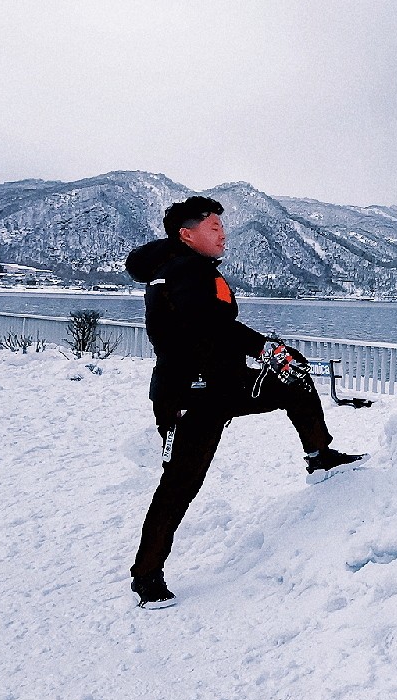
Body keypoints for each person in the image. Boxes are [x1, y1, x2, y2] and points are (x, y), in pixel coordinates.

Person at [123, 196, 362, 608]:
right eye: (213, 227)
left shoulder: (187, 268)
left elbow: (219, 328)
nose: (222, 234)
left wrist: (272, 351)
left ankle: (319, 455)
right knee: (180, 485)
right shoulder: (182, 271)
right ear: (187, 234)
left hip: (223, 383)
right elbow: (210, 328)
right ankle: (146, 575)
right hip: (191, 396)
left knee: (295, 380)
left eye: (221, 226)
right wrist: (266, 348)